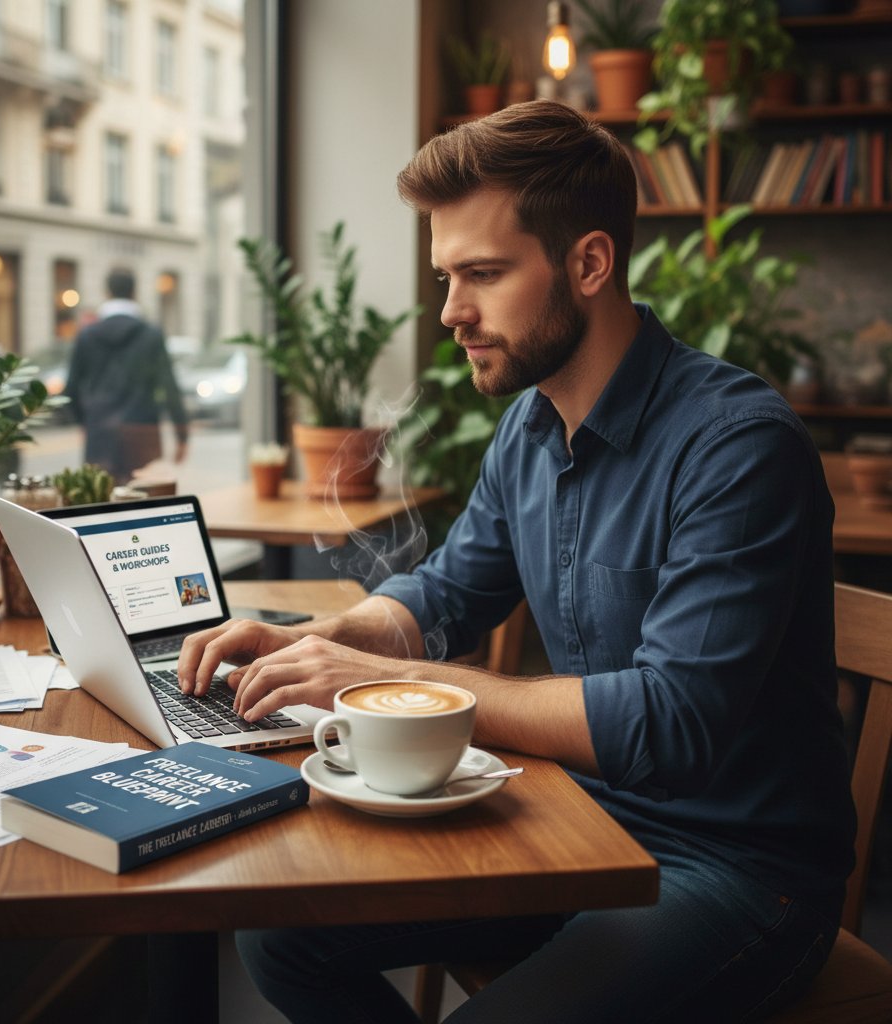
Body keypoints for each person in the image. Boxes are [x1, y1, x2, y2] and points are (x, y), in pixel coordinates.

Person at [176, 101, 855, 1023]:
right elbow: (447, 593)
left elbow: (671, 724)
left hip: (737, 872)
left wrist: (388, 681)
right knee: (281, 936)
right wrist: (322, 641)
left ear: (589, 264)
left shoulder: (737, 445)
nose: (451, 311)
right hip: (579, 821)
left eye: (483, 274)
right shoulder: (529, 429)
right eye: (447, 276)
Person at [65, 268, 189, 483]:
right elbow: (169, 386)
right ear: (134, 292)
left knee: (102, 497)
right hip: (142, 433)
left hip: (100, 433)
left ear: (107, 293)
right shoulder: (151, 335)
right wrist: (182, 436)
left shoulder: (87, 335)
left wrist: (85, 423)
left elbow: (71, 388)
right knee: (144, 496)